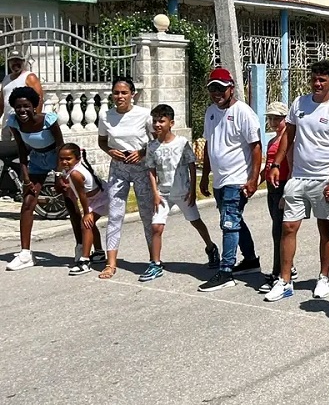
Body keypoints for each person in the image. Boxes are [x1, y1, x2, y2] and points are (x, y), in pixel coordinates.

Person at [265, 60, 329, 302]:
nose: (317, 83)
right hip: (297, 177)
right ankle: (284, 280)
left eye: (322, 79)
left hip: (323, 179)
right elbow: (287, 137)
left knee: (325, 228)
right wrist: (276, 164)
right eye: (314, 79)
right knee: (288, 227)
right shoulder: (299, 103)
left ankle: (324, 276)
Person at [198, 68, 262, 292]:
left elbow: (256, 147)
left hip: (237, 179)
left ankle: (226, 270)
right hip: (219, 179)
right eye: (213, 89)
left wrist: (253, 179)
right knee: (234, 221)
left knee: (229, 223)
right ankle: (251, 260)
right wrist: (205, 175)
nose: (217, 93)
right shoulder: (210, 113)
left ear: (231, 88)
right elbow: (208, 145)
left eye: (221, 88)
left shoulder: (243, 112)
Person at [143, 104, 219, 282]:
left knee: (196, 222)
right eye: (155, 121)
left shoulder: (182, 143)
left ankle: (211, 247)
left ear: (171, 123)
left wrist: (192, 191)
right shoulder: (152, 146)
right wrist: (155, 192)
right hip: (163, 193)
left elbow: (192, 166)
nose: (157, 124)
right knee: (156, 227)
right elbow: (151, 170)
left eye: (161, 121)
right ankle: (155, 263)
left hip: (183, 192)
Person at [97, 76, 155, 280]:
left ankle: (154, 261)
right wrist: (110, 151)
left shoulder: (145, 114)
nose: (119, 96)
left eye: (124, 93)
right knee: (114, 215)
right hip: (118, 169)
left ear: (133, 94)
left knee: (147, 215)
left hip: (140, 168)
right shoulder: (105, 115)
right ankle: (110, 263)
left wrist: (142, 152)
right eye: (116, 93)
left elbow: (157, 140)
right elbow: (102, 141)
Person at [4, 86, 63, 271]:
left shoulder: (48, 120)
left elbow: (60, 145)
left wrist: (60, 174)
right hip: (36, 159)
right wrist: (26, 177)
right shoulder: (14, 122)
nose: (22, 110)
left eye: (26, 106)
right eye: (18, 106)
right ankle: (25, 254)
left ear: (34, 106)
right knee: (28, 203)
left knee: (69, 201)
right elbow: (22, 149)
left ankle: (82, 250)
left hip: (57, 157)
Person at [259, 102, 295, 293]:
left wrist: (286, 194)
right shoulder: (273, 140)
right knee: (277, 229)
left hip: (282, 187)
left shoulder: (287, 140)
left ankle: (278, 272)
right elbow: (269, 164)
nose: (273, 121)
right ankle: (287, 266)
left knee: (278, 232)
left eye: (277, 118)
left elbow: (291, 167)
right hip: (272, 188)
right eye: (270, 118)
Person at [64, 144, 110, 276]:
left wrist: (86, 213)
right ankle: (99, 252)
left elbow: (82, 195)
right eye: (61, 159)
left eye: (68, 159)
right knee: (90, 224)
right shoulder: (72, 169)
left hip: (102, 199)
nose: (64, 162)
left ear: (77, 158)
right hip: (94, 199)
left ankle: (84, 262)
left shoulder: (75, 173)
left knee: (86, 224)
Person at [1, 50, 43, 155]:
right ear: (8, 63)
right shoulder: (6, 79)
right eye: (12, 61)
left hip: (23, 121)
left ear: (23, 62)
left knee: (24, 149)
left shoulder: (29, 77)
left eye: (18, 60)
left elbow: (39, 99)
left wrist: (34, 120)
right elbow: (2, 102)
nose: (15, 63)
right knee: (8, 151)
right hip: (7, 122)